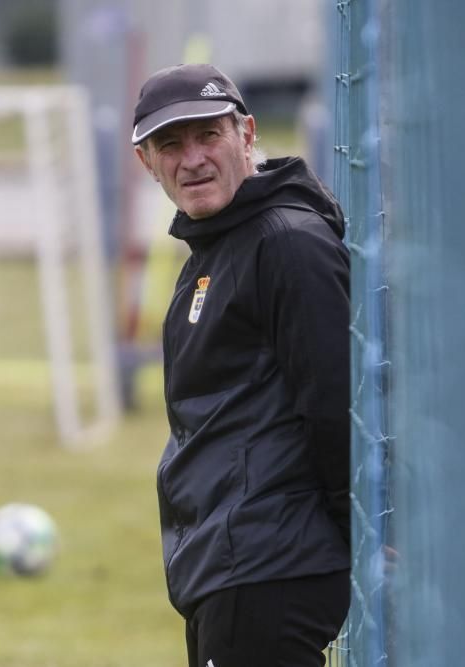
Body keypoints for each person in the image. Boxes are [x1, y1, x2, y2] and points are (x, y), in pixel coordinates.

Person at [131, 63, 351, 667]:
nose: (192, 158)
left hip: (269, 569)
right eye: (170, 145)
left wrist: (362, 532)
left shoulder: (285, 242)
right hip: (230, 570)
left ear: (247, 134)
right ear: (146, 163)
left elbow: (334, 403)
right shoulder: (217, 246)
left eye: (209, 135)